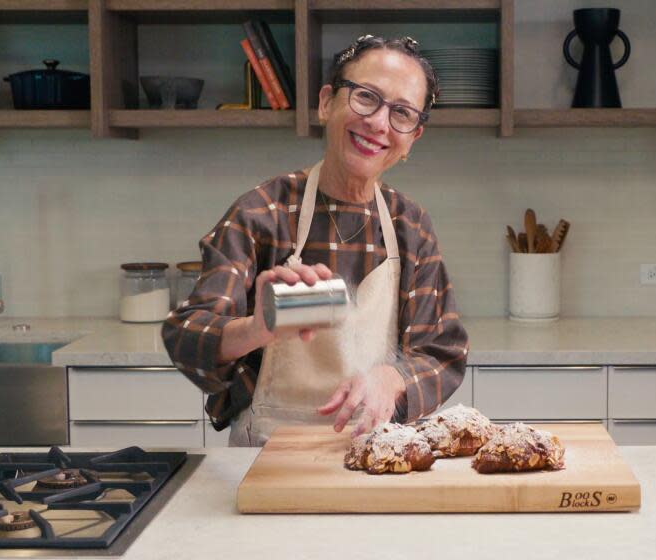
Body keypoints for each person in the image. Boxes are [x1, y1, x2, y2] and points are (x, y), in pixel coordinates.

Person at [163, 35, 469, 446]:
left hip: (379, 456)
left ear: (413, 137)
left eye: (402, 113)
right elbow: (185, 336)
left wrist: (395, 377)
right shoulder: (263, 212)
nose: (379, 123)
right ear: (327, 102)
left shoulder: (409, 225)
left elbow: (442, 352)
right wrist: (257, 327)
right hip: (265, 457)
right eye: (366, 97)